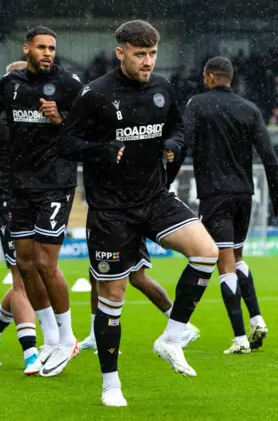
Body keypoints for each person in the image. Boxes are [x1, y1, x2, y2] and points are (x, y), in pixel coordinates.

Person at [57, 20, 218, 407]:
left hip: (154, 197)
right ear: (121, 53)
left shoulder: (162, 88)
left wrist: (174, 143)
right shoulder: (95, 94)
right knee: (113, 297)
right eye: (140, 54)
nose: (148, 62)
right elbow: (65, 142)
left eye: (152, 54)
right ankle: (111, 384)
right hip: (111, 210)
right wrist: (101, 150)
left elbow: (177, 127)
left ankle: (172, 336)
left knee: (207, 252)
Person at [0, 26, 84, 378]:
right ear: (27, 49)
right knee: (25, 263)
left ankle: (67, 338)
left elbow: (90, 133)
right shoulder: (11, 84)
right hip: (19, 187)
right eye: (42, 47)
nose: (48, 52)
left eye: (52, 47)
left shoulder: (69, 86)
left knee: (47, 264)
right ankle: (50, 337)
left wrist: (60, 120)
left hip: (55, 184)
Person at [183, 56, 278, 355]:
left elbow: (183, 142)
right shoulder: (249, 109)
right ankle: (257, 319)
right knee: (237, 257)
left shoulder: (197, 104)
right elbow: (269, 157)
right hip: (244, 195)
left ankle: (239, 339)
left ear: (211, 77)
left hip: (215, 194)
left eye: (203, 76)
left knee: (223, 263)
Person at [0, 60, 46, 375]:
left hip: (39, 202)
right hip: (9, 206)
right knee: (22, 277)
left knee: (38, 276)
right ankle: (31, 352)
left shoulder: (40, 120)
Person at [77, 240, 200, 352]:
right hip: (106, 226)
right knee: (96, 272)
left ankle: (184, 326)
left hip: (125, 227)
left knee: (137, 278)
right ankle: (95, 336)